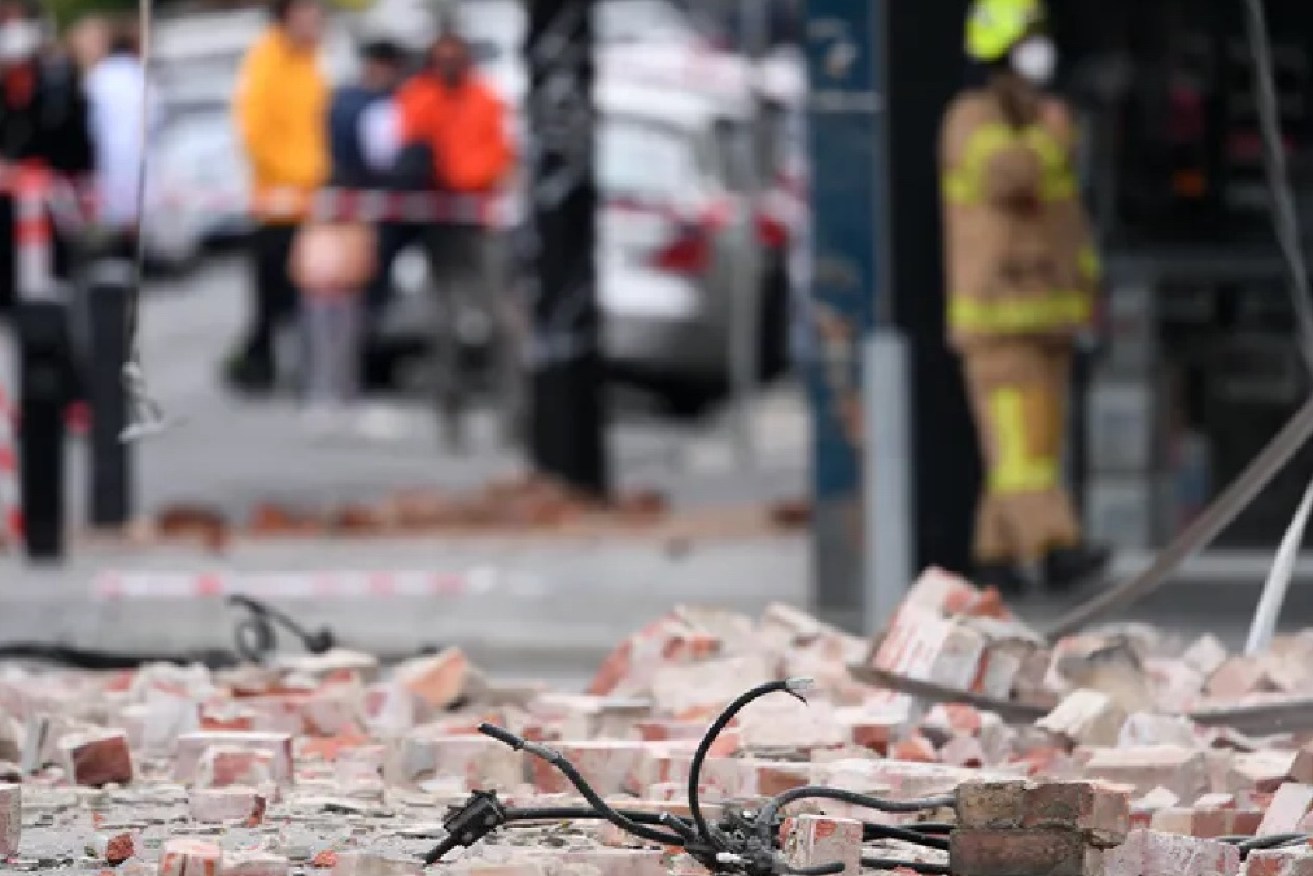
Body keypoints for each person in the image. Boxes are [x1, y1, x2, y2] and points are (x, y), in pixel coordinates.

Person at [940, 0, 1109, 594]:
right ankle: (1056, 546)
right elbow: (1009, 177)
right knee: (1023, 455)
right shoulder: (973, 121)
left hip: (1048, 323)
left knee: (1022, 446)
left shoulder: (1037, 117)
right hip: (1000, 328)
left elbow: (1066, 227)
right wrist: (1051, 137)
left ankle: (996, 557)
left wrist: (1086, 294)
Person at [395, 29, 515, 450]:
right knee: (444, 321)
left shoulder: (484, 98)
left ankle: (510, 415)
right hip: (439, 222)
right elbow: (411, 144)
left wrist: (472, 183)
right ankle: (450, 415)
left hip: (479, 219)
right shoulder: (420, 96)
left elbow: (499, 155)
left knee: (501, 320)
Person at [229, 0, 329, 393]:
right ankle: (262, 363)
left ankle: (277, 362)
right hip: (278, 200)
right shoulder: (268, 59)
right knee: (274, 291)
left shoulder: (312, 62)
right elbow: (254, 130)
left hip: (310, 197)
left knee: (299, 292)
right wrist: (292, 176)